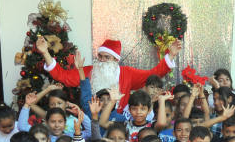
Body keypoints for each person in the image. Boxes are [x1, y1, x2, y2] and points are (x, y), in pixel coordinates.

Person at [38, 37, 182, 113]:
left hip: (119, 123)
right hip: (93, 120)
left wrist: (171, 55)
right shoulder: (89, 70)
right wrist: (45, 53)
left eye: (107, 57)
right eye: (100, 56)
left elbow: (153, 75)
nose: (102, 60)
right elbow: (62, 76)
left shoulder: (127, 73)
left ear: (116, 59)